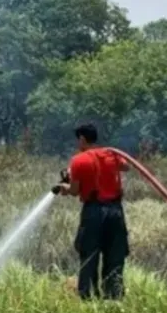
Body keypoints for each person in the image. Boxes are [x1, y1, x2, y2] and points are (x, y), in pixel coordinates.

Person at [52, 123, 131, 300]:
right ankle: (114, 297)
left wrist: (64, 186)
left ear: (82, 139)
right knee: (115, 255)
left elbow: (74, 191)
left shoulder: (79, 160)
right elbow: (126, 167)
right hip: (115, 212)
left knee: (89, 255)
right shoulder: (111, 155)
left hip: (94, 213)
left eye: (77, 140)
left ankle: (87, 297)